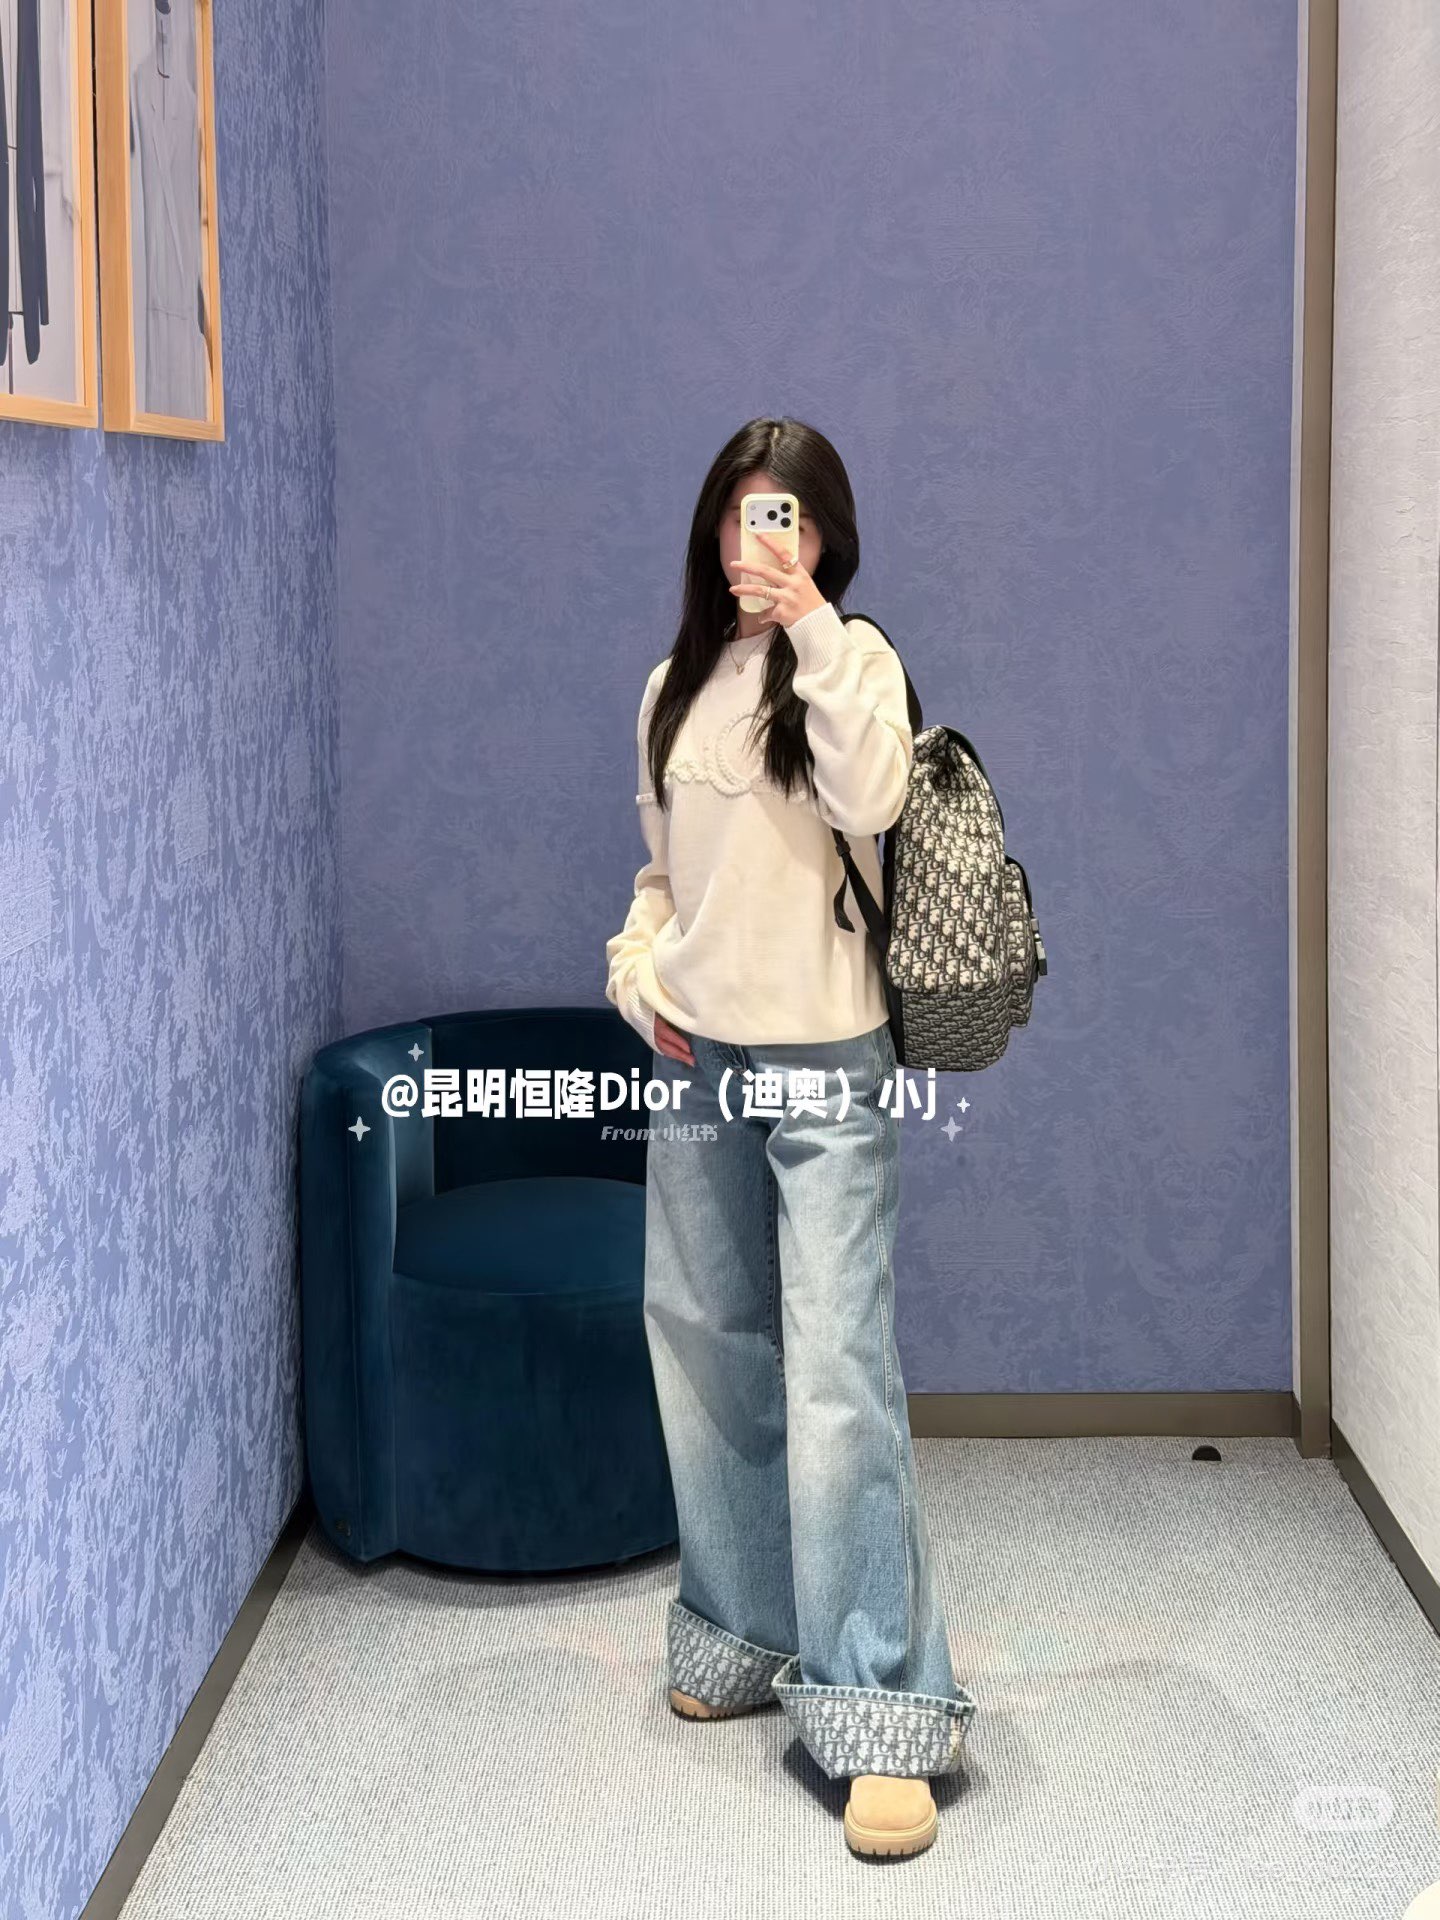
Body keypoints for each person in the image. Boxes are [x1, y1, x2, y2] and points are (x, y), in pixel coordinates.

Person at [604, 417, 976, 1859]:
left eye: (792, 520)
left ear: (826, 538)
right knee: (704, 1345)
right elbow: (660, 882)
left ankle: (880, 1703)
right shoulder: (669, 691)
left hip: (826, 1056)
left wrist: (814, 625)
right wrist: (640, 980)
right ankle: (742, 1629)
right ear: (712, 530)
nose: (766, 543)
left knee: (835, 1371)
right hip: (697, 1058)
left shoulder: (853, 661)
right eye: (746, 517)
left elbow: (872, 798)